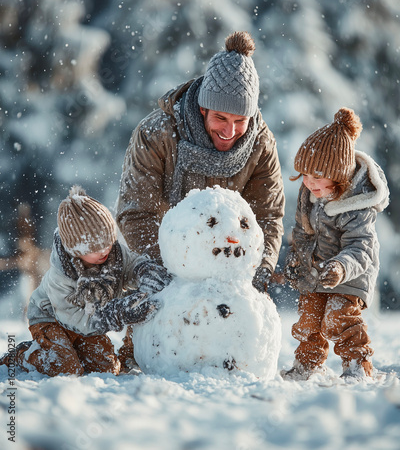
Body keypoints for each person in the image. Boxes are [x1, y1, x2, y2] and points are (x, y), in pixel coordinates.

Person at [117, 31, 285, 292]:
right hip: (164, 257)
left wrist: (260, 266)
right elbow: (136, 212)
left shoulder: (260, 144)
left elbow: (267, 215)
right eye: (221, 118)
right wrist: (164, 268)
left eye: (240, 121)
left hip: (228, 264)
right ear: (202, 108)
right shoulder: (157, 134)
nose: (229, 132)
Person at [0, 185, 169, 377]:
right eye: (96, 247)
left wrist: (147, 275)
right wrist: (118, 313)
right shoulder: (61, 276)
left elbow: (135, 265)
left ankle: (75, 351)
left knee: (107, 369)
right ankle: (23, 356)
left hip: (91, 322)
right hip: (51, 320)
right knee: (66, 368)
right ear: (76, 249)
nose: (105, 250)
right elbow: (74, 319)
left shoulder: (114, 255)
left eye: (108, 241)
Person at [282, 108, 389, 380]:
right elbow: (303, 232)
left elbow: (361, 248)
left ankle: (356, 364)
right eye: (305, 175)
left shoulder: (356, 206)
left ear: (339, 176)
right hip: (318, 271)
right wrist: (298, 258)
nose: (309, 183)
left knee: (337, 318)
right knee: (308, 320)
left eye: (317, 177)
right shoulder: (309, 193)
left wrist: (341, 267)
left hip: (351, 274)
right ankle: (307, 364)